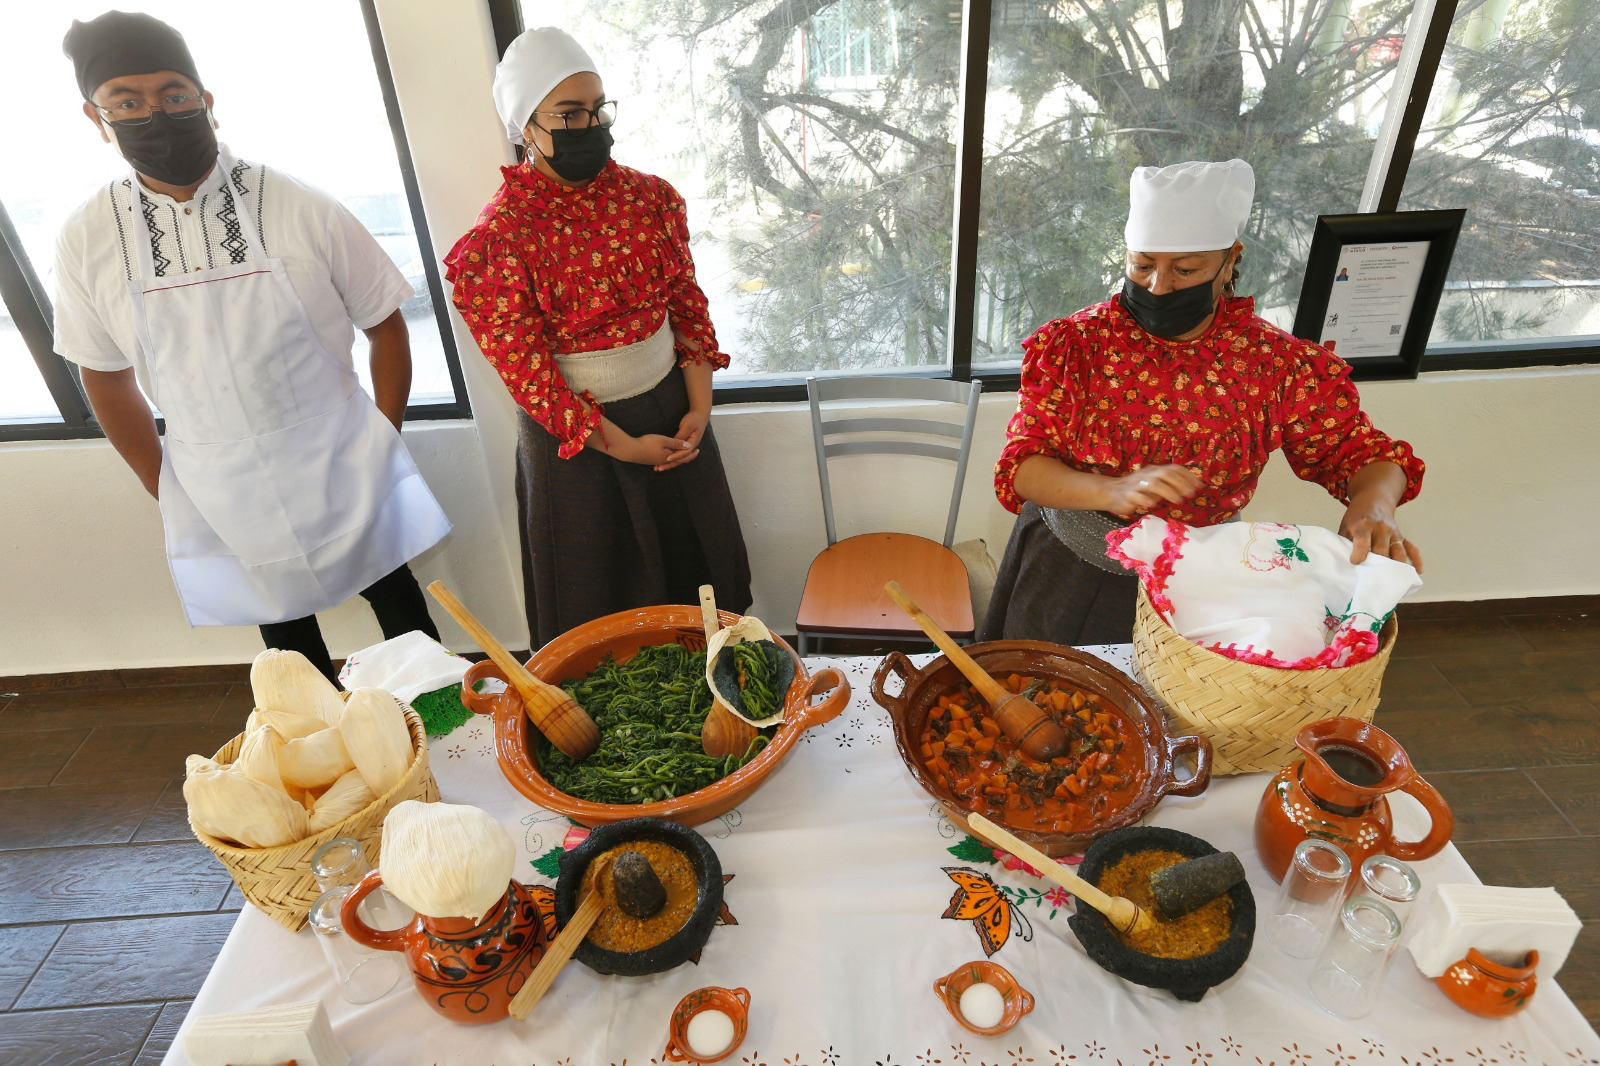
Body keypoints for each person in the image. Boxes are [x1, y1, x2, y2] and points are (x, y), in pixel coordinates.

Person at [54, 11, 451, 681]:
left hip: (340, 458)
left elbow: (384, 323)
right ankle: (322, 741)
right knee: (288, 647)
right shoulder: (87, 236)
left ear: (206, 101)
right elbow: (104, 373)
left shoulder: (298, 204)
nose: (154, 114)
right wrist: (163, 482)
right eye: (127, 102)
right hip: (220, 482)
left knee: (400, 608)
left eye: (173, 94)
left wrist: (382, 438)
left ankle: (440, 717)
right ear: (97, 118)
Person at [982, 159, 1425, 647]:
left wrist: (1374, 505)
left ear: (1230, 260)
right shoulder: (1077, 346)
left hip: (1198, 580)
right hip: (1068, 567)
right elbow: (1023, 465)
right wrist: (1109, 490)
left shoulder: (1275, 364)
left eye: (1185, 269)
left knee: (1168, 690)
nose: (1158, 286)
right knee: (1038, 683)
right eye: (1142, 265)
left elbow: (1360, 454)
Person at [445, 27, 751, 649]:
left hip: (673, 411)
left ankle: (717, 692)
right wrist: (624, 447)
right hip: (576, 441)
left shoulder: (650, 199)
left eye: (597, 109)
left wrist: (699, 407)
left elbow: (687, 307)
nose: (590, 126)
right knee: (595, 612)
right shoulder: (498, 239)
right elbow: (529, 376)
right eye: (569, 114)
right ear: (525, 127)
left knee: (698, 591)